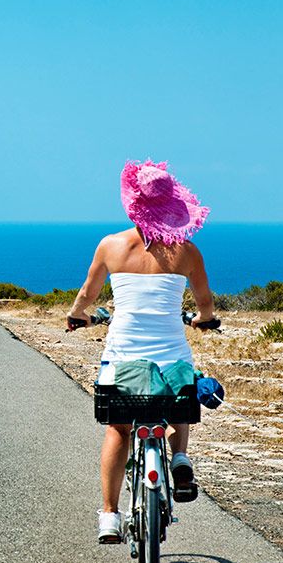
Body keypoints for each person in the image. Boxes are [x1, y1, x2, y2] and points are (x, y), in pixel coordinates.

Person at [66, 159, 217, 543]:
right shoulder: (187, 252)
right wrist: (204, 319)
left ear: (133, 203)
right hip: (170, 354)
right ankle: (179, 458)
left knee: (118, 430)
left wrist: (76, 314)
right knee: (180, 386)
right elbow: (205, 302)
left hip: (123, 358)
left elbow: (88, 293)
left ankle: (109, 517)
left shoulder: (111, 246)